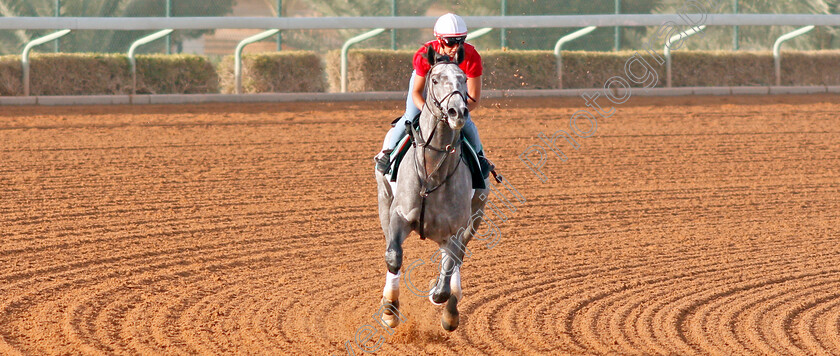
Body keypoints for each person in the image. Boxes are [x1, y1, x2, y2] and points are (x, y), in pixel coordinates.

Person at [375, 13, 492, 175]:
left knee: (467, 123)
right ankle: (388, 154)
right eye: (450, 42)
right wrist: (428, 110)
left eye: (461, 41)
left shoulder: (471, 56)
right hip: (426, 86)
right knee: (410, 116)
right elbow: (416, 92)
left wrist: (459, 113)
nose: (456, 47)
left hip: (455, 89)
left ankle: (480, 159)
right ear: (439, 39)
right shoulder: (424, 54)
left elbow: (473, 98)